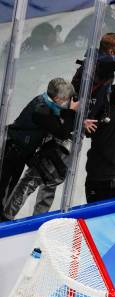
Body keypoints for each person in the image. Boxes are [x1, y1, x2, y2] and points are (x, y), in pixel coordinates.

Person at [0, 78, 77, 221]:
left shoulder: (46, 103)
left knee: (8, 187)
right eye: (66, 99)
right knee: (4, 188)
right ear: (57, 98)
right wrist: (71, 112)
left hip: (20, 151)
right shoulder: (41, 110)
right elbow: (62, 132)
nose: (68, 103)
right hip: (12, 151)